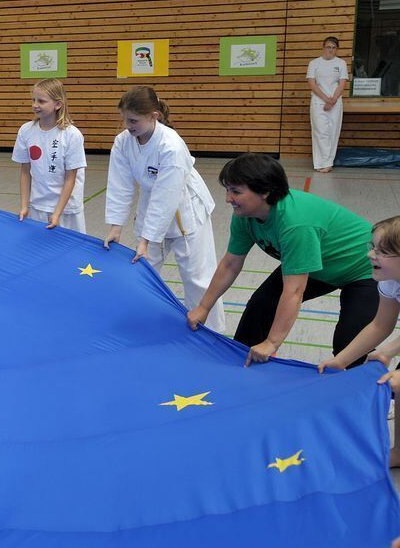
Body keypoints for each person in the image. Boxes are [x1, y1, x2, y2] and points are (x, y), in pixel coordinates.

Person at [186, 153, 377, 366]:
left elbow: (294, 291)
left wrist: (272, 342)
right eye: (228, 190)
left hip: (366, 269)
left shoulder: (295, 224)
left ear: (265, 192)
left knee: (349, 344)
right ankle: (240, 366)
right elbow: (230, 264)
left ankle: (368, 381)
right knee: (261, 307)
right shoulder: (245, 215)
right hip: (319, 265)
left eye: (236, 191)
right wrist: (204, 307)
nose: (228, 198)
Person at [104, 86, 224, 330]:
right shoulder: (123, 141)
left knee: (197, 278)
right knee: (143, 269)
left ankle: (211, 332)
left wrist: (146, 239)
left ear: (154, 116)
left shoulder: (171, 145)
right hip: (151, 205)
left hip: (185, 209)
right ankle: (139, 322)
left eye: (133, 120)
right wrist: (116, 227)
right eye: (124, 119)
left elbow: (166, 196)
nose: (127, 126)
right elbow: (120, 184)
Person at [317, 216, 400, 465]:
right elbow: (380, 325)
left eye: (381, 251)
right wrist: (341, 360)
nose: (370, 255)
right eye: (373, 247)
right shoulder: (390, 281)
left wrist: (391, 353)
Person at [12, 78, 86, 232]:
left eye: (41, 101)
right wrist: (25, 205)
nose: (35, 105)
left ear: (57, 104)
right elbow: (25, 171)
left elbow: (70, 178)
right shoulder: (26, 131)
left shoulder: (72, 135)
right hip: (38, 205)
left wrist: (57, 213)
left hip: (66, 209)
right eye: (33, 100)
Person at [306, 36, 349, 173]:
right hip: (318, 101)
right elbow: (312, 84)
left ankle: (328, 163)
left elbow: (342, 84)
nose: (331, 50)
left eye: (334, 48)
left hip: (335, 102)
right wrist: (326, 99)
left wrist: (333, 100)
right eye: (328, 47)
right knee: (320, 132)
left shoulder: (341, 63)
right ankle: (320, 162)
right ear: (323, 47)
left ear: (337, 49)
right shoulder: (314, 63)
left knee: (333, 132)